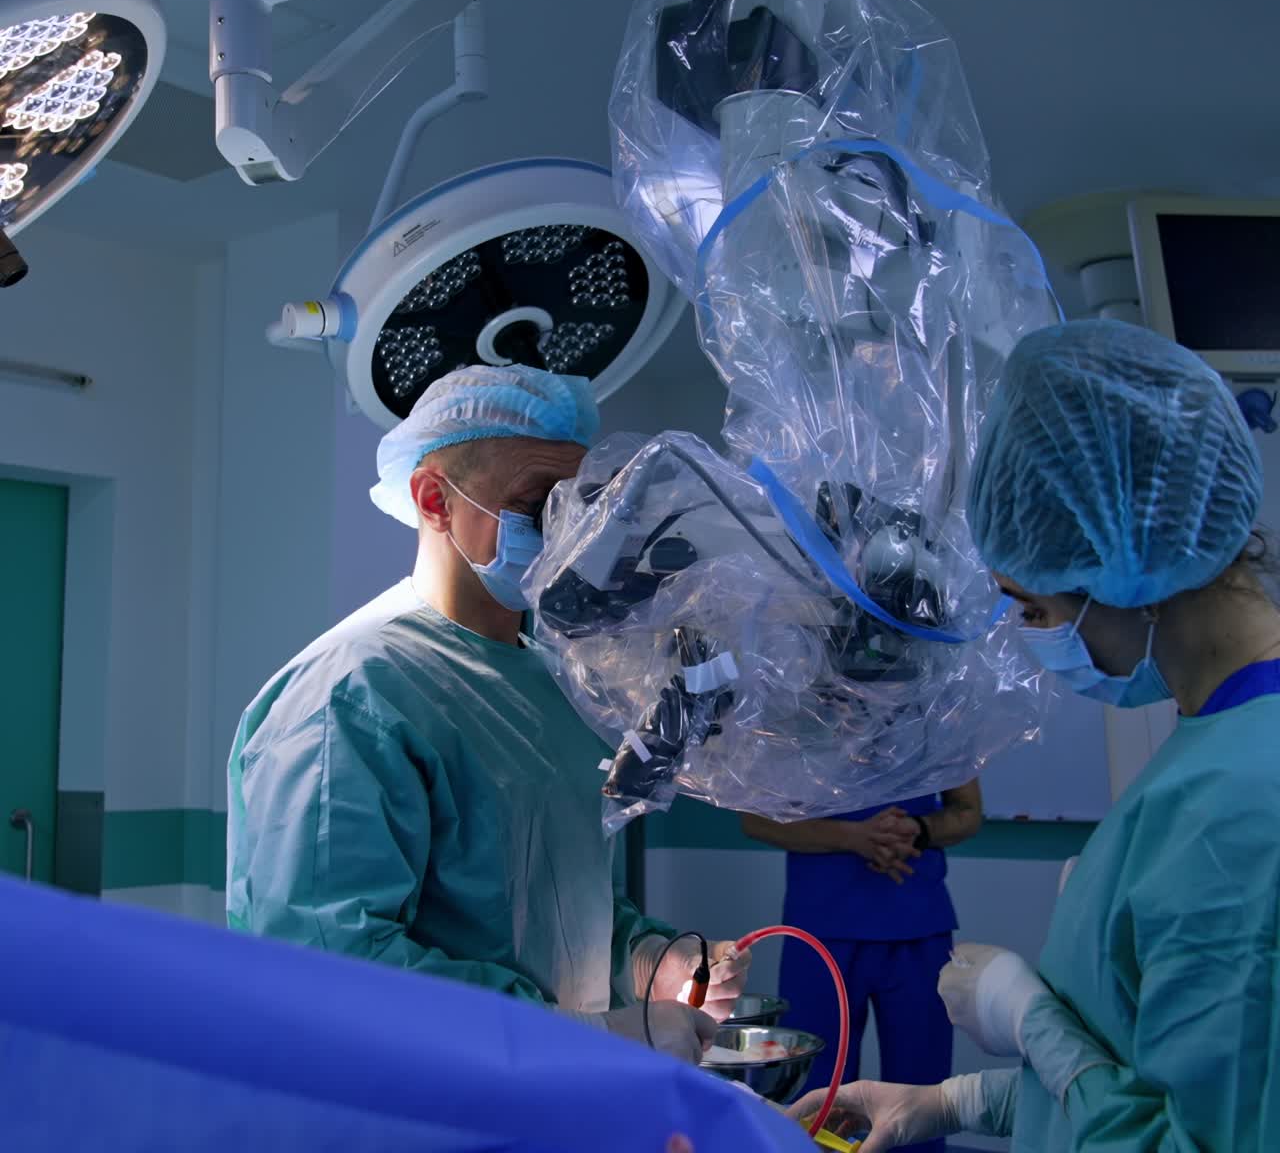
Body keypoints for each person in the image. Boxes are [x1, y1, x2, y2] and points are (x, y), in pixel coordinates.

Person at [790, 319, 1280, 1150]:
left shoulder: (1236, 811)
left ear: (1124, 569)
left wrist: (1033, 1024)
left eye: (1035, 608)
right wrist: (957, 1104)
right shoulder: (1222, 750)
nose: (1036, 636)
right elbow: (1141, 1080)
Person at [226, 365, 748, 1063]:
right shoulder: (352, 695)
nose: (568, 534)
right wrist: (581, 1038)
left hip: (547, 1101)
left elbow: (555, 907)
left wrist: (648, 962)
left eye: (578, 507)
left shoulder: (557, 682)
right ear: (434, 500)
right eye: (537, 507)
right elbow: (329, 972)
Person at [742, 782, 982, 1153]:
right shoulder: (792, 723)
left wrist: (918, 830)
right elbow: (756, 820)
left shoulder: (940, 723)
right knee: (816, 1100)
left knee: (922, 1100)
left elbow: (967, 812)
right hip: (821, 933)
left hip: (916, 926)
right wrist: (853, 836)